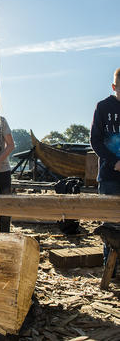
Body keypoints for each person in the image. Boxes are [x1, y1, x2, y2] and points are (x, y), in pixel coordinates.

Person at [90, 67, 120, 277]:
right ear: (114, 87)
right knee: (110, 226)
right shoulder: (103, 107)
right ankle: (110, 270)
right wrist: (114, 161)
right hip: (110, 176)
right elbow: (95, 140)